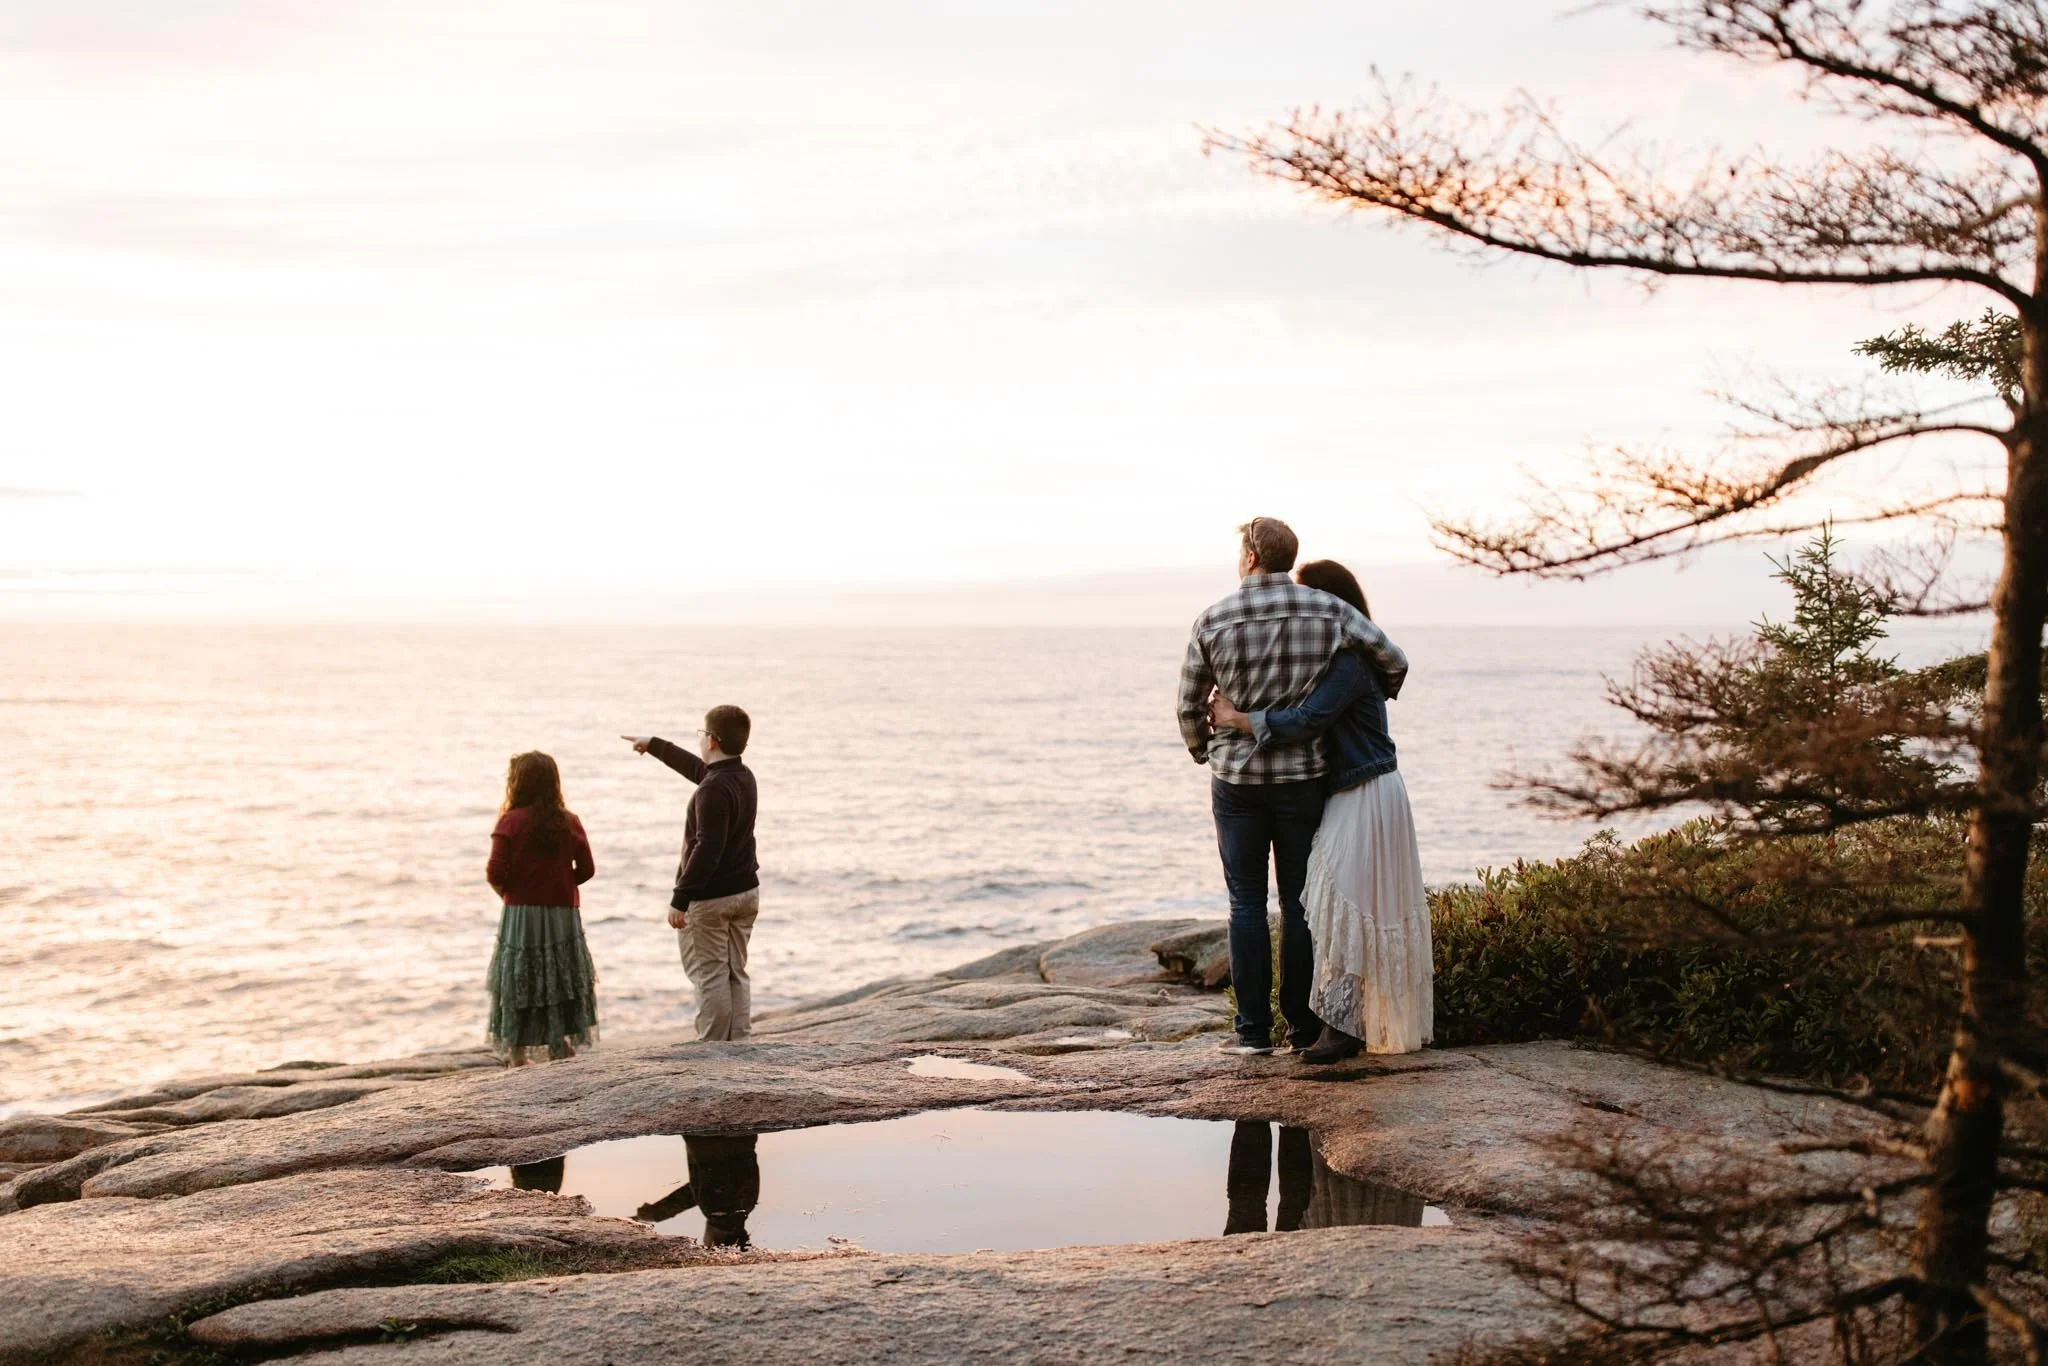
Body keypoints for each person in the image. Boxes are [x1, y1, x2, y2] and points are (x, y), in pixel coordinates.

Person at [1177, 518, 1408, 1055]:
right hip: (1304, 779)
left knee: (1246, 905)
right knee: (1301, 906)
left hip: (1236, 782)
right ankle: (1303, 1029)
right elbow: (1392, 660)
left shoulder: (1213, 619)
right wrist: (1377, 697)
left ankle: (1252, 1034)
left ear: (1251, 557)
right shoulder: (1329, 611)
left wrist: (1203, 749)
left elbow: (1189, 703)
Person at [631, 706, 760, 1042]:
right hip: (745, 892)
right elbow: (698, 769)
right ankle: (740, 1043)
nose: (701, 740)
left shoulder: (712, 789)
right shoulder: (742, 776)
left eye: (702, 735)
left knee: (710, 976)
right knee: (735, 972)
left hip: (711, 900)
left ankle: (713, 1053)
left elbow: (706, 849)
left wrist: (680, 898)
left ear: (713, 741)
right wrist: (655, 745)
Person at [484, 751, 599, 1065]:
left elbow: (494, 872)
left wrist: (511, 893)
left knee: (520, 978)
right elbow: (587, 869)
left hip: (521, 914)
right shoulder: (569, 821)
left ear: (517, 783)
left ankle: (518, 1053)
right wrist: (561, 883)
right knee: (560, 977)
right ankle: (559, 1045)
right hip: (562, 914)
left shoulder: (509, 821)